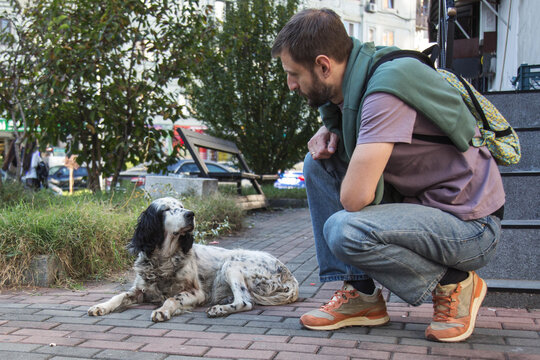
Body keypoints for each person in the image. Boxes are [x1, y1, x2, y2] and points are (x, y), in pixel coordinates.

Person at [271, 8, 504, 343]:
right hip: (427, 210)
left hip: (470, 226)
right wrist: (332, 129)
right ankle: (362, 295)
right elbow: (356, 114)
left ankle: (456, 282)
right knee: (317, 164)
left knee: (344, 230)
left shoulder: (385, 91)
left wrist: (349, 143)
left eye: (294, 74)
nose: (290, 84)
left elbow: (355, 198)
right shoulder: (360, 77)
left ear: (324, 65)